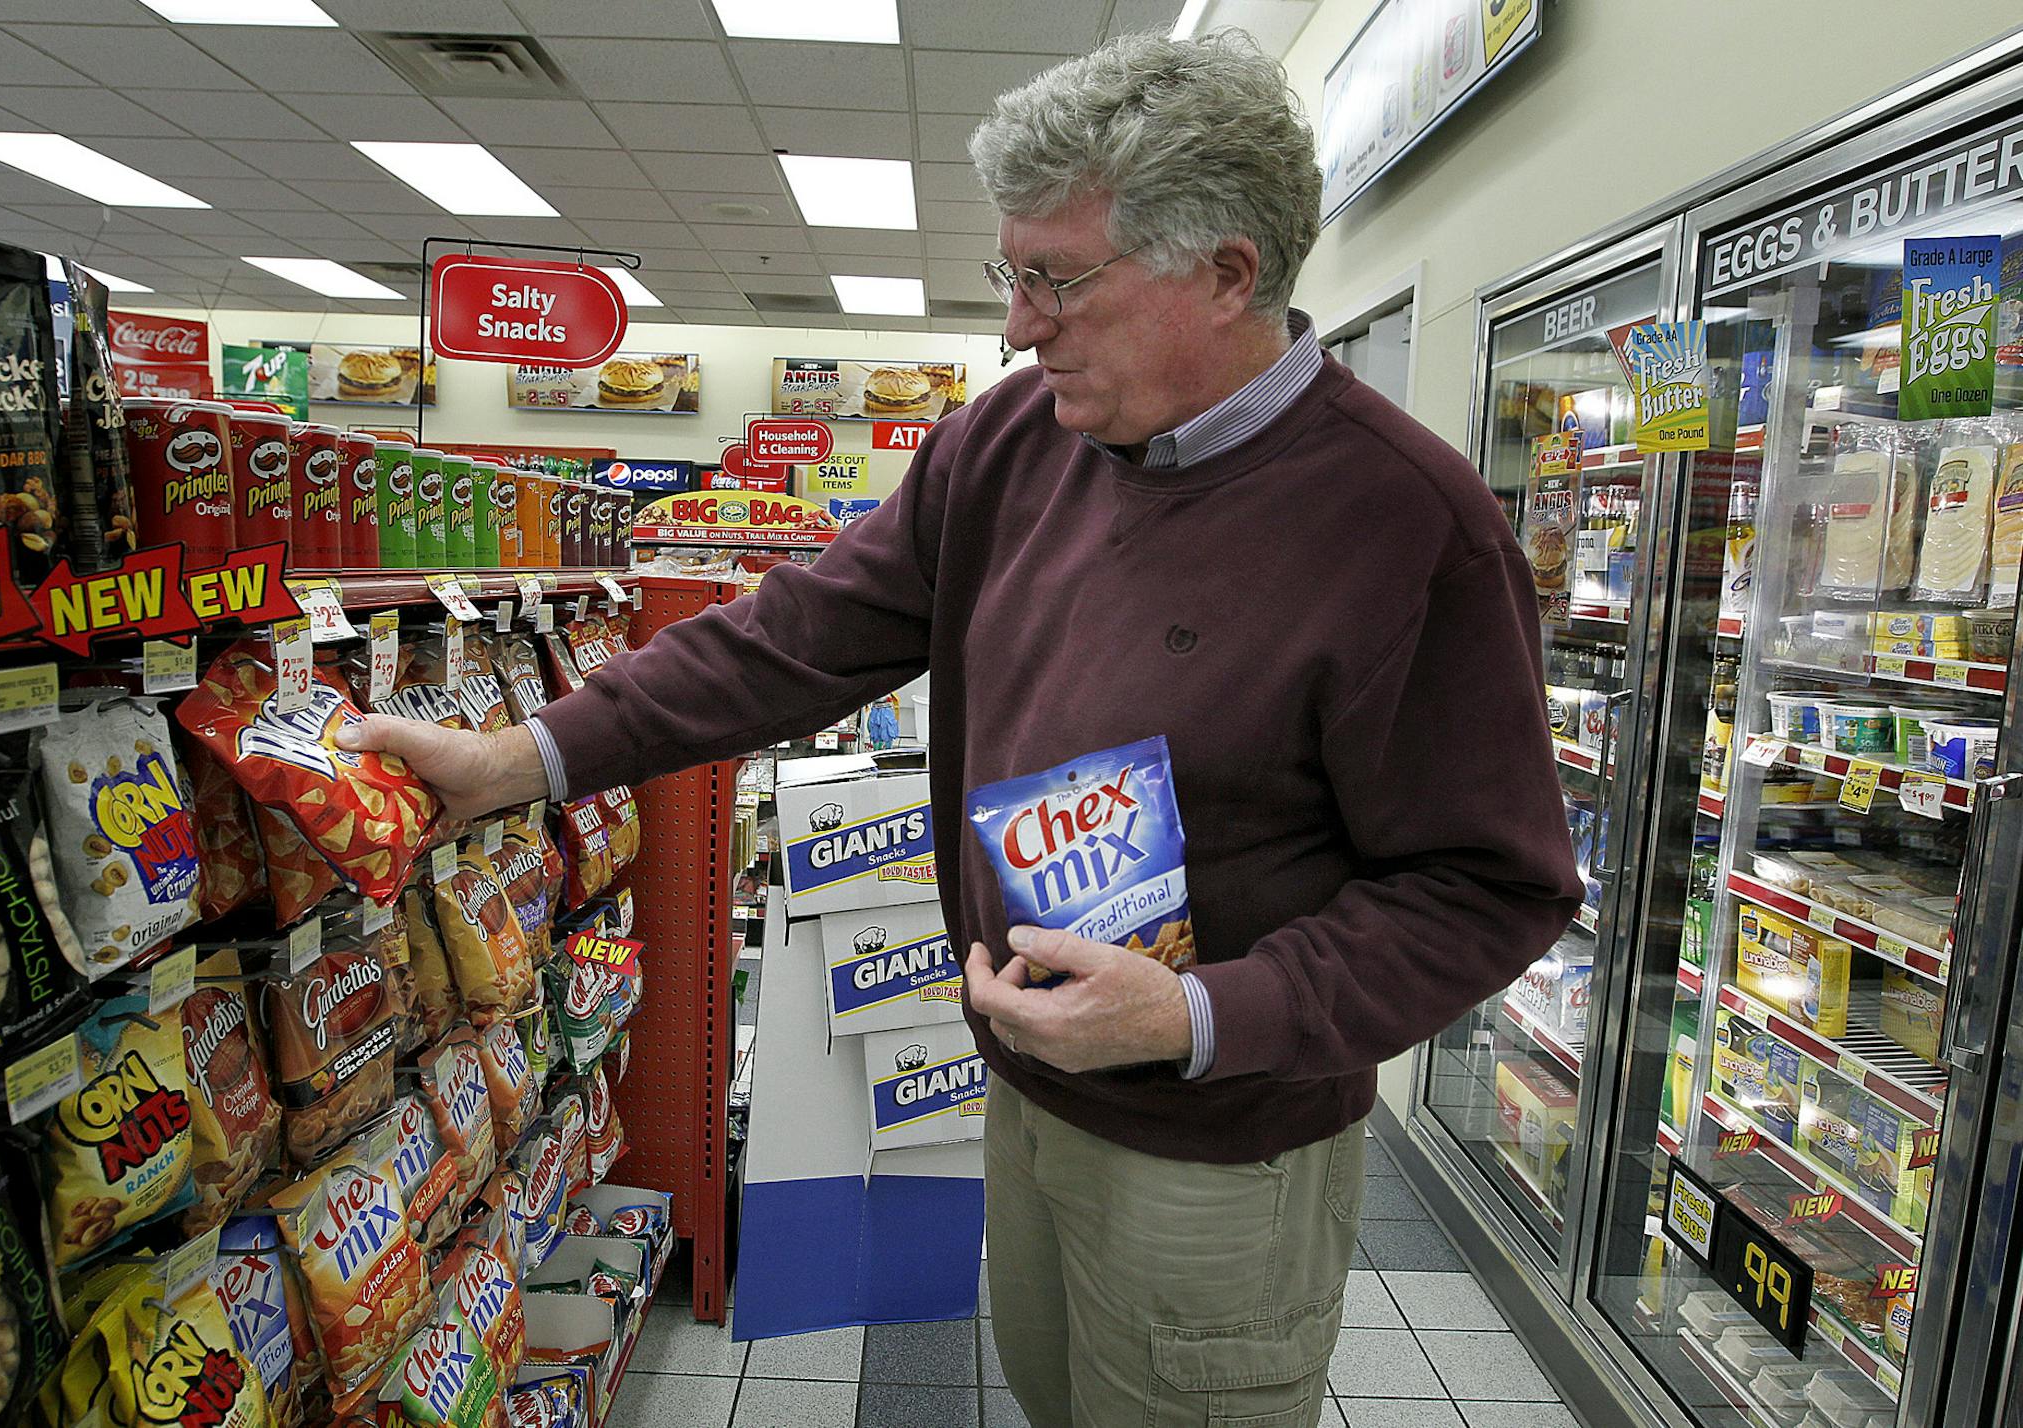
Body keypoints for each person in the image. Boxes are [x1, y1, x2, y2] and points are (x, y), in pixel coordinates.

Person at [339, 30, 1580, 1428]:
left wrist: (1196, 1014)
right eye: (1013, 275)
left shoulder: (1405, 525)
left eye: (1057, 280)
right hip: (1031, 1097)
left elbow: (1490, 888)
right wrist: (520, 761)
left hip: (1222, 1151)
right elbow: (792, 638)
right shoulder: (1010, 446)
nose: (1020, 324)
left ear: (1227, 273)